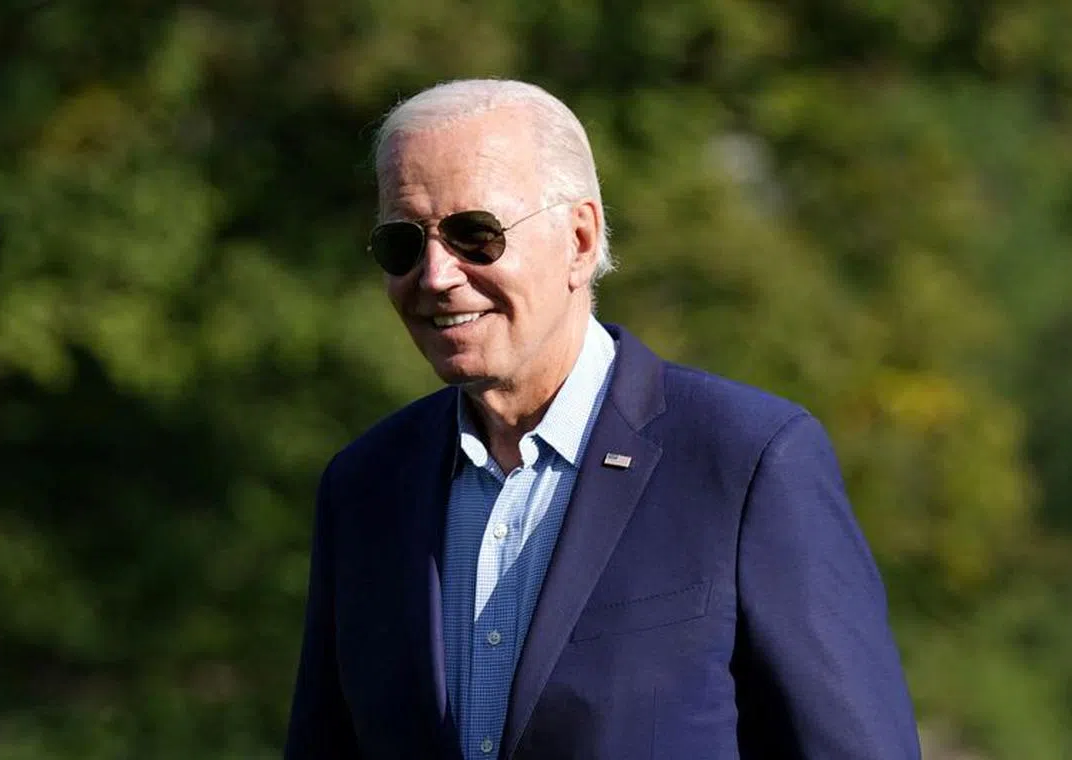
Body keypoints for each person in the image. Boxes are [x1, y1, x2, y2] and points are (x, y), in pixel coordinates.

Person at [284, 79, 922, 760]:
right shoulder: (365, 487)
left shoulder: (746, 461)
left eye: (476, 235)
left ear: (580, 239)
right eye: (403, 244)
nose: (437, 274)